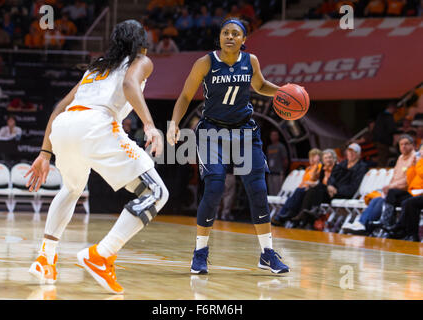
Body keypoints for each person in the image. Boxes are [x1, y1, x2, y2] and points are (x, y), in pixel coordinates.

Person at [25, 20, 169, 294]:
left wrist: (45, 152)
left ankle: (45, 257)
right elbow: (129, 83)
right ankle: (102, 254)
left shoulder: (97, 66)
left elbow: (59, 108)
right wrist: (150, 126)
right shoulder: (141, 60)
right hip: (97, 124)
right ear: (142, 44)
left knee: (71, 188)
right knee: (157, 192)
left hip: (65, 126)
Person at [167, 18, 290, 274]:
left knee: (257, 189)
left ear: (244, 40)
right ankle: (200, 252)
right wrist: (173, 124)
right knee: (214, 187)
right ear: (220, 37)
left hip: (245, 131)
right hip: (212, 131)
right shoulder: (205, 63)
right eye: (225, 33)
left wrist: (284, 92)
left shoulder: (251, 61)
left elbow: (260, 85)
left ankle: (267, 253)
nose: (230, 37)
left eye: (236, 33)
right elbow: (186, 96)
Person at [343, 135, 417, 234]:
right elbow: (395, 177)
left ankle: (370, 226)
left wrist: (390, 187)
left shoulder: (415, 158)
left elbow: (408, 180)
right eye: (401, 144)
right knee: (376, 199)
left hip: (406, 192)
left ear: (412, 145)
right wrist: (388, 187)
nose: (403, 146)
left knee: (384, 198)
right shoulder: (400, 158)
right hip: (394, 190)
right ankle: (361, 223)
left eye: (406, 144)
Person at [271, 148, 322, 226]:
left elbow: (317, 179)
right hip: (302, 188)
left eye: (314, 156)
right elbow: (303, 182)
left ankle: (286, 215)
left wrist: (315, 167)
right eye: (311, 156)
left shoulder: (319, 166)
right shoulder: (308, 168)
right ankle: (281, 216)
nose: (312, 158)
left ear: (319, 157)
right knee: (293, 195)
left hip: (311, 189)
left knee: (298, 192)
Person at [290, 148, 338, 229]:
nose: (328, 160)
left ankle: (303, 218)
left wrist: (327, 186)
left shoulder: (337, 169)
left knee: (311, 190)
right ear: (323, 160)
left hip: (330, 193)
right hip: (321, 192)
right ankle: (306, 217)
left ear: (334, 159)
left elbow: (333, 183)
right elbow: (318, 182)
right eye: (326, 158)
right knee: (310, 190)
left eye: (330, 158)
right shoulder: (323, 169)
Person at [373, 102, 398, 167]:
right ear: (392, 108)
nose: (396, 111)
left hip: (378, 140)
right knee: (382, 159)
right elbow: (391, 129)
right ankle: (381, 174)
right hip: (384, 142)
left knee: (382, 158)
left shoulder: (380, 116)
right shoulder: (388, 117)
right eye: (395, 109)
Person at [266, 129, 288, 196]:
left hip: (278, 173)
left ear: (278, 136)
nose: (273, 137)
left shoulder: (281, 146)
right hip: (270, 173)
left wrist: (283, 172)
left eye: (275, 135)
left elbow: (285, 160)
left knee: (278, 192)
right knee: (271, 191)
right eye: (272, 135)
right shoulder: (269, 147)